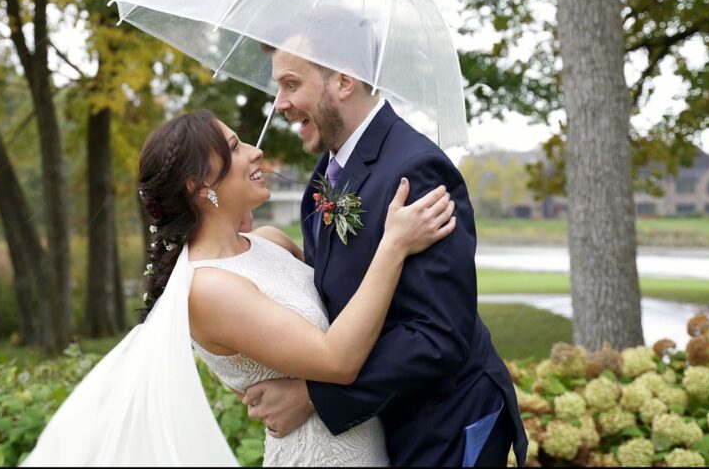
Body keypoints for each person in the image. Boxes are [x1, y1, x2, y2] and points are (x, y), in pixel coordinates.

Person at [22, 109, 455, 466]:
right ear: (199, 185)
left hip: (369, 442)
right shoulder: (207, 289)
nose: (256, 151)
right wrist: (394, 245)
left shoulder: (268, 242)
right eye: (234, 147)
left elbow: (350, 297)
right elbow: (337, 359)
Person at [241, 43, 529, 467]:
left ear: (344, 80)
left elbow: (439, 333)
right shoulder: (325, 176)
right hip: (386, 422)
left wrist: (314, 396)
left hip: (445, 420)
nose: (280, 104)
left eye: (291, 84)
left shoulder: (417, 170)